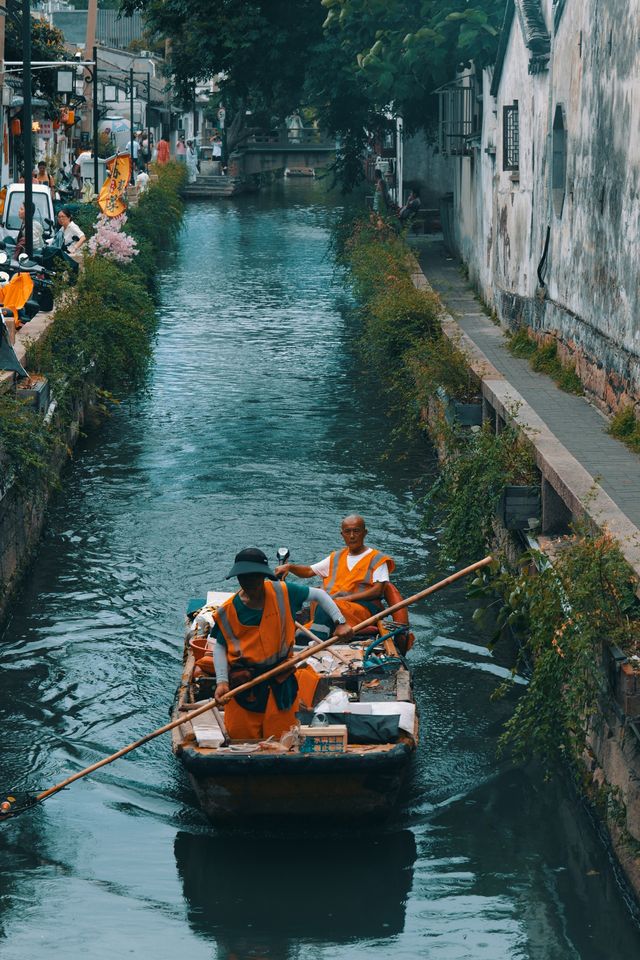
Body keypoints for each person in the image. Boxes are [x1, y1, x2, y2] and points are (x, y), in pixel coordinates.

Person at [212, 547, 353, 741]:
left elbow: (320, 595)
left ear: (263, 577)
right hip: (245, 683)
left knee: (283, 738)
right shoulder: (227, 611)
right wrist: (221, 681)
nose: (248, 583)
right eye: (243, 578)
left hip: (280, 675)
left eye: (254, 578)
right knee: (240, 738)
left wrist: (340, 622)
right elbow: (220, 645)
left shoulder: (283, 592)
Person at [275, 515, 395, 635]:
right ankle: (310, 634)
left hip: (361, 608)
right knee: (320, 602)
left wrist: (346, 599)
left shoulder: (378, 559)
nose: (352, 536)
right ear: (342, 535)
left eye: (356, 531)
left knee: (326, 604)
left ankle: (315, 638)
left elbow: (377, 591)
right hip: (336, 607)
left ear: (365, 533)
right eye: (347, 532)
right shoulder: (336, 557)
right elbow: (308, 571)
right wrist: (290, 567)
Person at [41, 206, 86, 275]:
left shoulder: (72, 226)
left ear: (69, 217)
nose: (61, 219)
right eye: (59, 217)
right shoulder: (63, 228)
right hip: (65, 252)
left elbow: (83, 238)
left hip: (73, 255)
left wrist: (74, 248)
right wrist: (44, 241)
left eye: (63, 217)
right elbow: (55, 238)